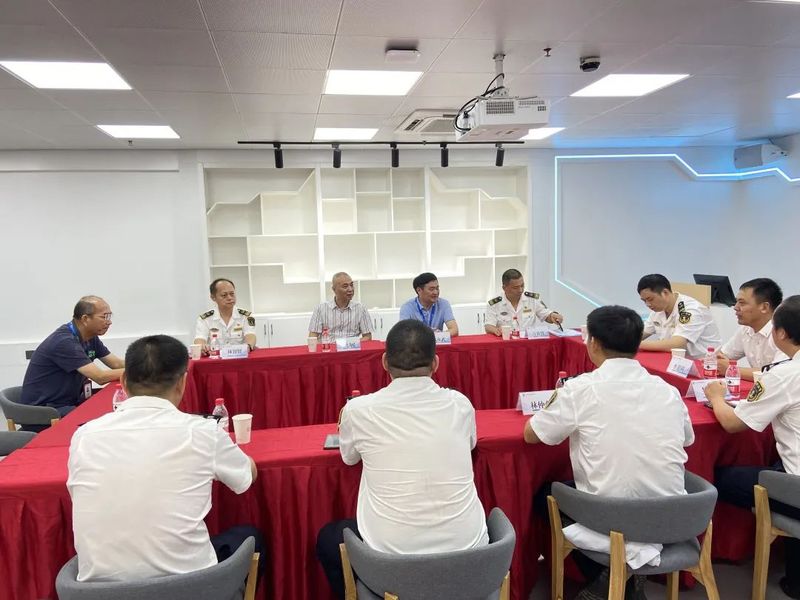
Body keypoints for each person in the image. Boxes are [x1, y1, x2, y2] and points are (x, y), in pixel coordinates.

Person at [525, 305, 694, 600]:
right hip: (670, 516)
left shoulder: (580, 388)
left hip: (610, 517)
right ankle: (627, 578)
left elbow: (533, 434)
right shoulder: (667, 389)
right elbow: (688, 439)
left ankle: (609, 577)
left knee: (546, 496)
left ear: (593, 343)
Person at [67, 334, 263, 584]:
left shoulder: (84, 436)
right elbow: (246, 477)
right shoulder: (202, 431)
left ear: (123, 381)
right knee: (251, 538)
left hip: (97, 591)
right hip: (188, 588)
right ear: (182, 382)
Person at [315, 319, 488, 598]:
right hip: (471, 561)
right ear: (435, 363)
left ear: (384, 362)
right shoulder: (460, 404)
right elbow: (470, 445)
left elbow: (348, 458)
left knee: (328, 538)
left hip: (391, 568)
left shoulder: (359, 410)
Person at [705, 295, 800, 599]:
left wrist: (716, 396)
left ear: (780, 333)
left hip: (795, 486)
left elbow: (733, 423)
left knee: (715, 477)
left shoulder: (784, 375)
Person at [20, 296, 124, 418]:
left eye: (109, 316)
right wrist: (137, 371)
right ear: (85, 319)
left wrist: (142, 364)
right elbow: (99, 377)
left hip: (69, 403)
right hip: (46, 410)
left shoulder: (90, 337)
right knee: (105, 416)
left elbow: (116, 364)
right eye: (104, 317)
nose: (109, 322)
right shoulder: (64, 342)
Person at [716, 278, 787, 381]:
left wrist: (731, 369)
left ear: (764, 307)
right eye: (736, 302)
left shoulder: (783, 333)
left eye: (742, 303)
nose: (735, 307)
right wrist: (719, 360)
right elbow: (723, 355)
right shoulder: (746, 329)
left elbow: (777, 374)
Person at [637, 274, 721, 358]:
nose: (647, 304)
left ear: (665, 293)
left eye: (650, 299)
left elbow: (677, 344)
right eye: (644, 301)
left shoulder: (690, 310)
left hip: (705, 361)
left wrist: (636, 344)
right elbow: (640, 334)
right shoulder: (658, 310)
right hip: (676, 360)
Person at [485, 268, 564, 336]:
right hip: (506, 343)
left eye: (522, 285)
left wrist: (553, 316)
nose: (520, 290)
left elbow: (546, 315)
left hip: (528, 343)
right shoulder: (494, 303)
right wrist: (496, 330)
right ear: (504, 288)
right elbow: (488, 326)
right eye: (515, 287)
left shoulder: (532, 299)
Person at [194, 278, 256, 352]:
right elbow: (200, 338)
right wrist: (202, 346)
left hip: (240, 355)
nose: (229, 298)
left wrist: (248, 346)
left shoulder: (246, 316)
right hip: (215, 357)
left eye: (232, 294)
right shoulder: (205, 319)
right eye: (224, 295)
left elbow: (250, 335)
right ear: (213, 297)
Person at [308, 272, 373, 340]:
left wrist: (353, 343)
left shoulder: (360, 308)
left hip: (352, 346)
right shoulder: (321, 309)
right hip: (329, 345)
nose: (350, 289)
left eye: (351, 285)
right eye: (345, 286)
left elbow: (368, 337)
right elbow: (312, 337)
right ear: (334, 289)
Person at [398, 272, 458, 337]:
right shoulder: (407, 307)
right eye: (431, 289)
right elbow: (403, 333)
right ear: (419, 290)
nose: (436, 292)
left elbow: (454, 330)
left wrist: (437, 335)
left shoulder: (443, 304)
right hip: (417, 343)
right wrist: (427, 336)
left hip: (436, 342)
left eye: (437, 288)